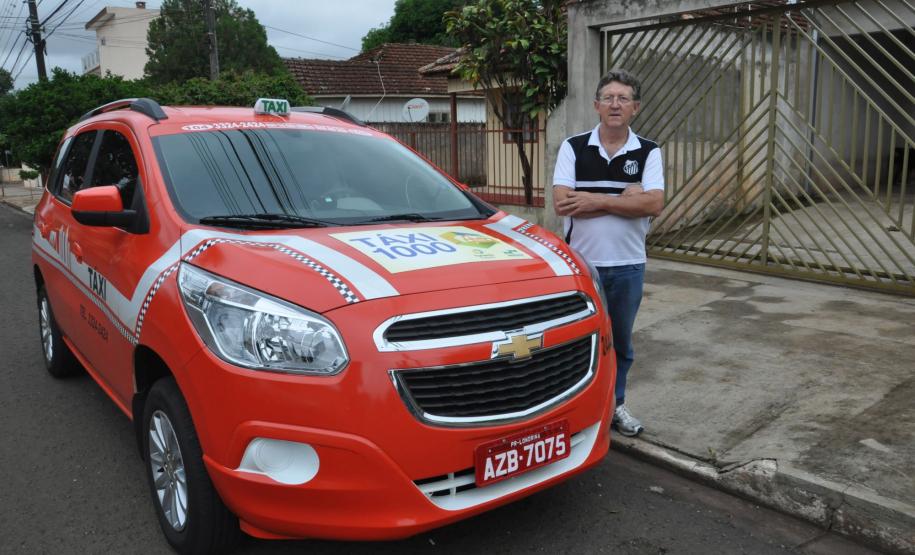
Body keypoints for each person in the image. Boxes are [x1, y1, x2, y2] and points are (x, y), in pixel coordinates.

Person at [552, 69, 665, 437]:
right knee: (577, 341)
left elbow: (655, 204)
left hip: (629, 266)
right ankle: (577, 408)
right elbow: (563, 204)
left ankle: (615, 406)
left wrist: (594, 199)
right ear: (596, 105)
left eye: (623, 98)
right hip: (581, 266)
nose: (615, 104)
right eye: (609, 98)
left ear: (636, 107)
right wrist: (624, 199)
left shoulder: (649, 151)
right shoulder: (574, 147)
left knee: (620, 343)